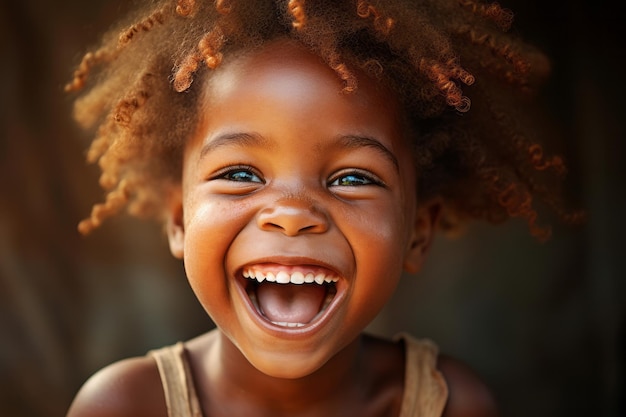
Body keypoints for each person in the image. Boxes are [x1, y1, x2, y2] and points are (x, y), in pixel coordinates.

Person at [65, 0, 579, 416]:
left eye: (353, 178)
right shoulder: (123, 407)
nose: (291, 213)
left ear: (418, 231)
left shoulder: (451, 404)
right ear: (180, 220)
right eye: (240, 175)